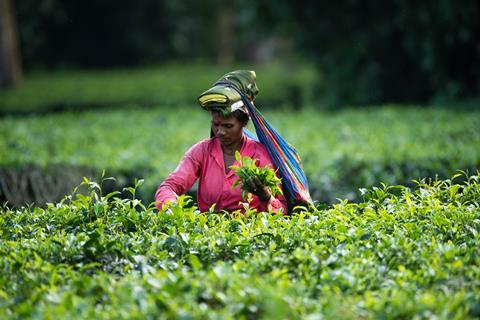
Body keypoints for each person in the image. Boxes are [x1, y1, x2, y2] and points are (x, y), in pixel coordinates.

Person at [155, 70, 288, 214]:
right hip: (208, 232)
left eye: (228, 126)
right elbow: (169, 186)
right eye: (216, 124)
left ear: (243, 123)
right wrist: (171, 208)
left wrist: (265, 196)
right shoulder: (201, 151)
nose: (220, 132)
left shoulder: (260, 154)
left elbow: (282, 210)